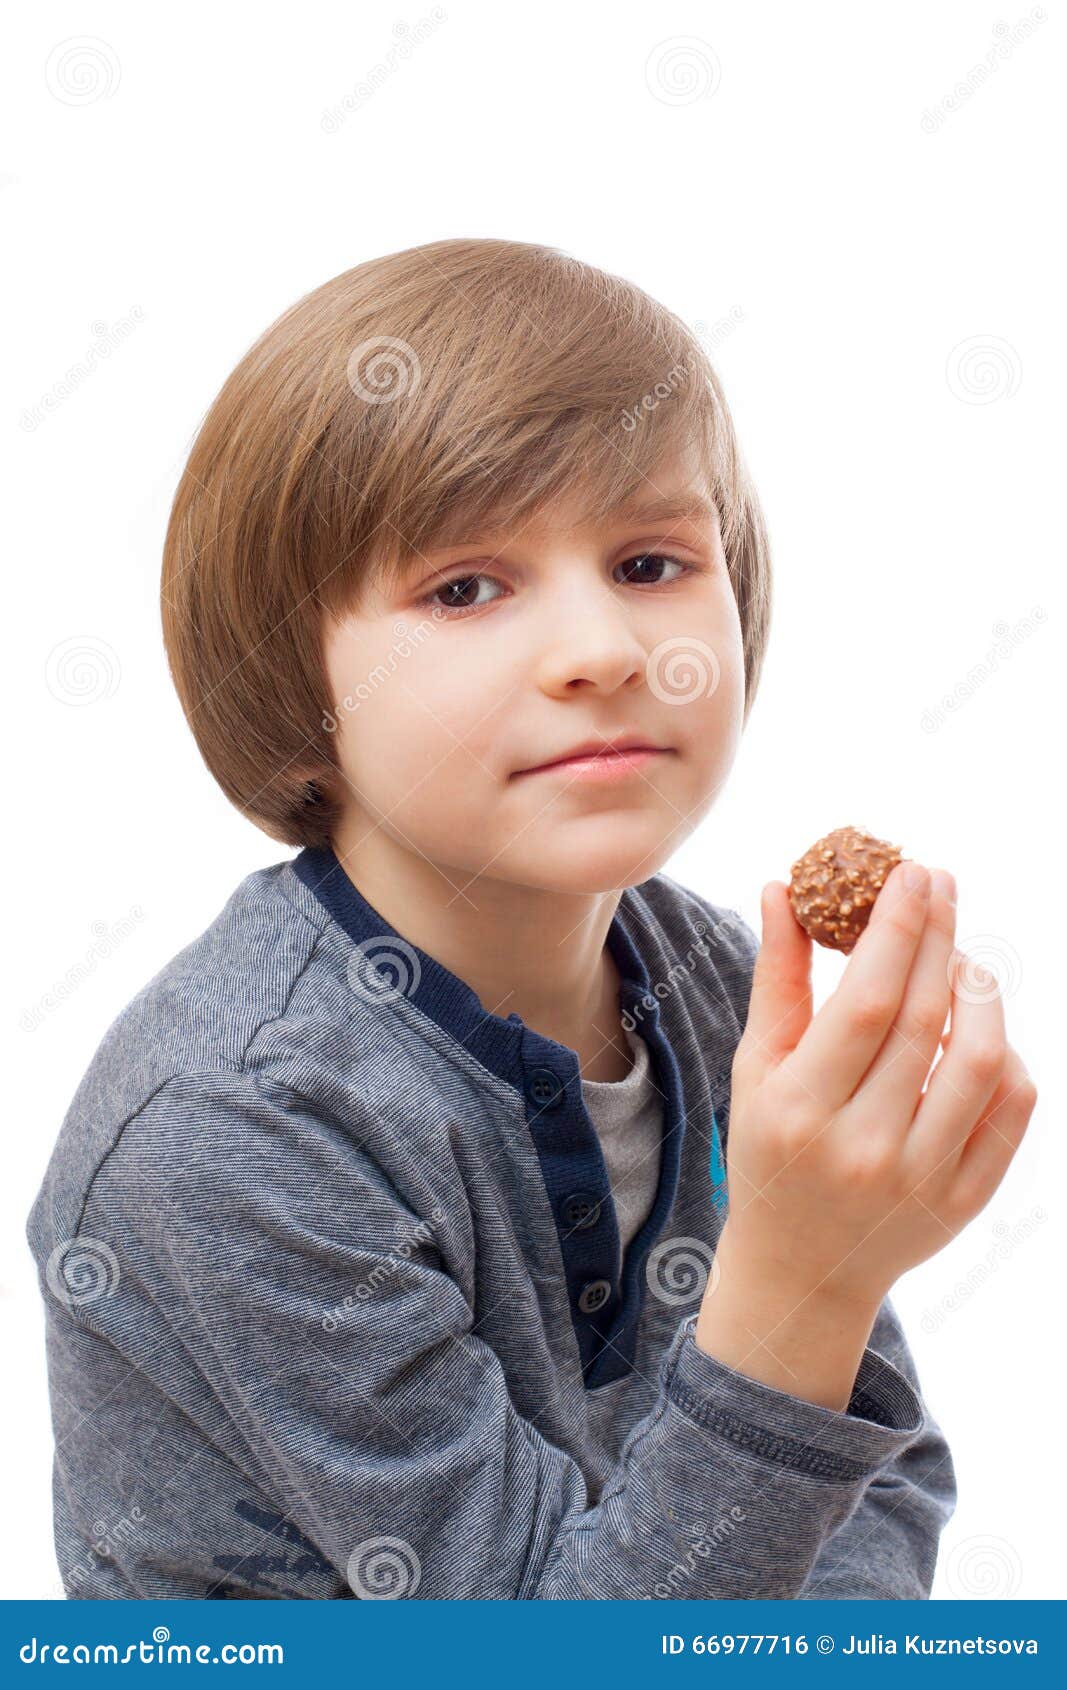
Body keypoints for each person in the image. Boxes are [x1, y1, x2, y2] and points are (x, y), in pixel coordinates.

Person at [25, 238, 1036, 1600]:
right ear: (295, 678)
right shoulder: (234, 1124)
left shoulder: (717, 990)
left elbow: (877, 1469)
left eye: (650, 560)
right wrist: (798, 1282)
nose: (606, 651)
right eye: (465, 588)